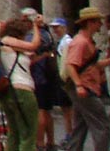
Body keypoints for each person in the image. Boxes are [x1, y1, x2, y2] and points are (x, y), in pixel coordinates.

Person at [65, 8, 110, 151]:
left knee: (80, 125)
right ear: (90, 23)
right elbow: (71, 65)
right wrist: (79, 85)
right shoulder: (81, 42)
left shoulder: (87, 41)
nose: (100, 24)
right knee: (102, 125)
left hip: (85, 87)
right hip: (84, 88)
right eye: (98, 21)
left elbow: (92, 66)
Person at [0, 18, 43, 151]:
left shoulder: (8, 46)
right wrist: (37, 27)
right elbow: (34, 45)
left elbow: (27, 58)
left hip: (9, 91)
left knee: (14, 133)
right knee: (28, 134)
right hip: (21, 90)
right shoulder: (7, 40)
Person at [37, 18, 74, 150]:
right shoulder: (60, 42)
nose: (55, 30)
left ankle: (71, 134)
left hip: (65, 79)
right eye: (54, 28)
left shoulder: (67, 42)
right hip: (60, 78)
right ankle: (69, 133)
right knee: (66, 109)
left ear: (64, 27)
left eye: (57, 27)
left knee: (68, 109)